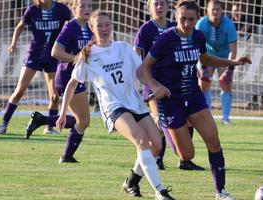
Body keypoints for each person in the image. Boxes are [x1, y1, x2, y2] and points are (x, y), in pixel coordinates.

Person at [137, 1, 252, 199]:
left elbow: (205, 59)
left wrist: (232, 62)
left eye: (191, 20)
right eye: (183, 19)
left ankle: (221, 192)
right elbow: (143, 68)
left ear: (197, 19)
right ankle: (161, 121)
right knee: (186, 155)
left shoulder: (198, 36)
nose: (187, 24)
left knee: (214, 141)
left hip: (193, 95)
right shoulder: (165, 39)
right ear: (175, 18)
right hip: (170, 100)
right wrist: (155, 87)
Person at [56, 10, 175, 200]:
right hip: (114, 107)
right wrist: (62, 114)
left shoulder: (124, 48)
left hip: (134, 103)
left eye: (107, 24)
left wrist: (156, 85)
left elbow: (141, 73)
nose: (104, 29)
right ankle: (159, 191)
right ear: (92, 28)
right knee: (141, 140)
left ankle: (130, 182)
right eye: (100, 25)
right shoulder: (87, 54)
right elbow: (71, 85)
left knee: (157, 145)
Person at [134, 0, 204, 171]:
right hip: (154, 83)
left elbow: (186, 52)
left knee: (188, 121)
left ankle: (184, 160)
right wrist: (142, 77)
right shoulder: (146, 29)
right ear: (149, 8)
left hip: (177, 86)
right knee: (161, 121)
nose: (159, 7)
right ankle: (158, 158)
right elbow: (136, 56)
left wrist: (193, 68)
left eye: (162, 3)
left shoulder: (178, 25)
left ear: (169, 8)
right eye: (155, 4)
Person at [24, 0, 92, 164]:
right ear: (74, 10)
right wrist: (77, 59)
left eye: (90, 6)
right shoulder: (70, 27)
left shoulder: (89, 28)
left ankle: (42, 120)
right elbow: (55, 52)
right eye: (82, 6)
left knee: (80, 120)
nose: (87, 9)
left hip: (77, 76)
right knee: (83, 121)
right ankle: (66, 156)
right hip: (67, 76)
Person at [0, 0, 71, 135]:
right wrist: (13, 43)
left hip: (53, 56)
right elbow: (20, 26)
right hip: (34, 55)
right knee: (19, 90)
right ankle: (4, 124)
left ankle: (49, 128)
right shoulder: (32, 10)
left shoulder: (62, 9)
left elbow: (73, 25)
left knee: (54, 95)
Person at [195, 0, 238, 125]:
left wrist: (229, 70)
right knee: (204, 85)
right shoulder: (201, 24)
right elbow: (197, 47)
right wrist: (202, 68)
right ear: (207, 10)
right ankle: (206, 116)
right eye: (212, 9)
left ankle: (225, 118)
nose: (215, 12)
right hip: (205, 55)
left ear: (222, 11)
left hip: (224, 56)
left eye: (217, 9)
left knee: (226, 84)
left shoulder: (229, 25)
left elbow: (233, 50)